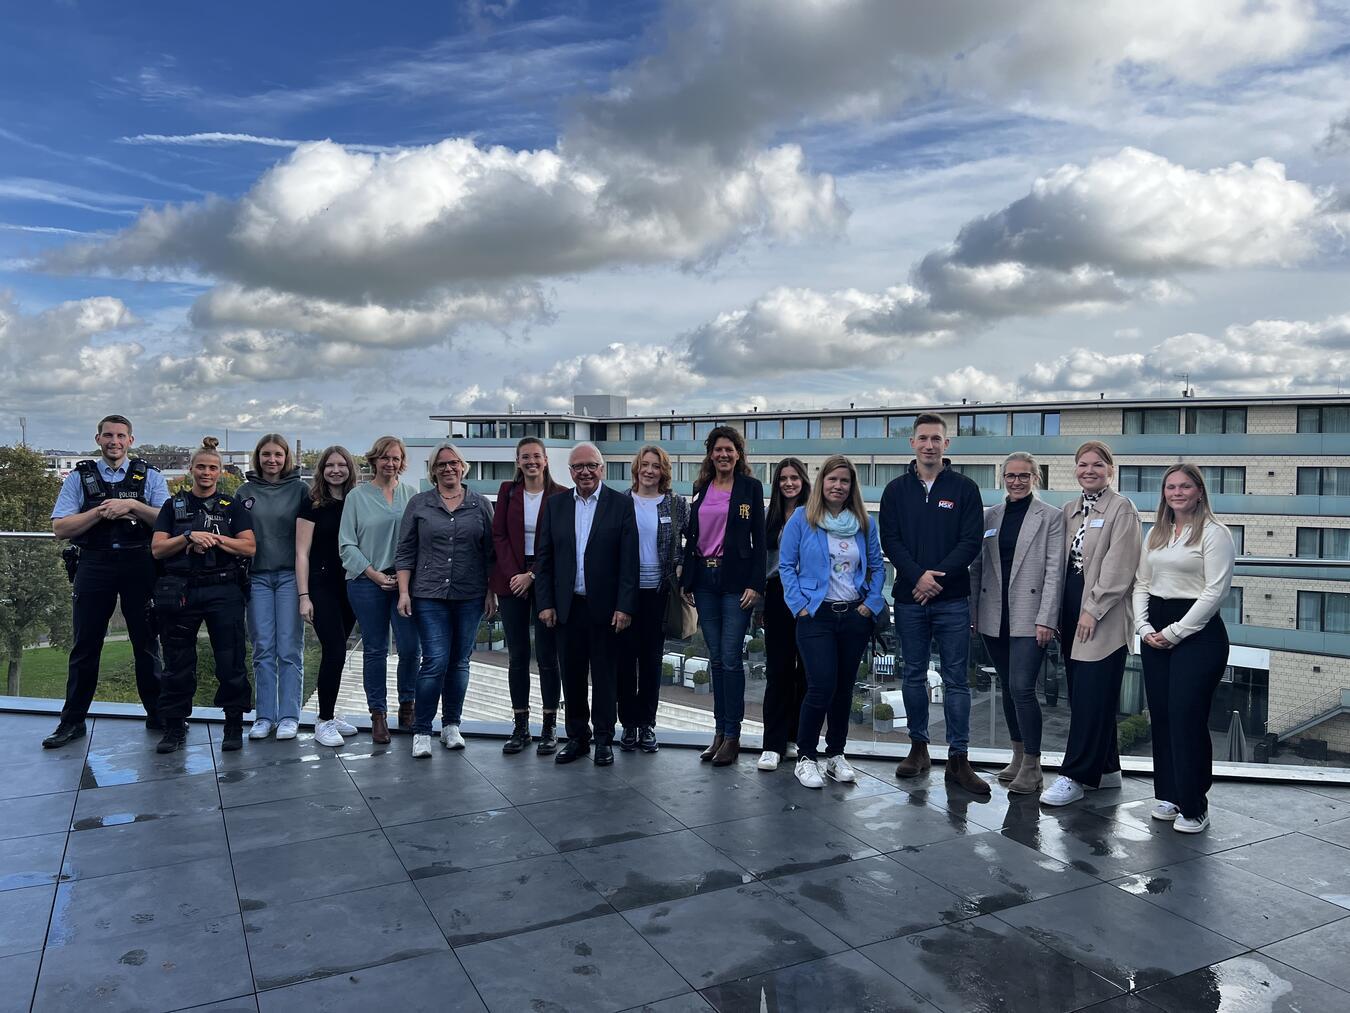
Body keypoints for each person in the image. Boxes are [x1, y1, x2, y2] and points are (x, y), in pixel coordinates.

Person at [44, 414, 170, 749]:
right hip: (94, 564)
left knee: (146, 643)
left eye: (120, 436)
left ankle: (159, 715)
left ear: (131, 440)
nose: (114, 441)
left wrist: (130, 504)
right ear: (98, 439)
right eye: (108, 436)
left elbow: (167, 520)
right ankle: (72, 722)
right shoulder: (79, 478)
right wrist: (100, 511)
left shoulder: (150, 476)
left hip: (139, 563)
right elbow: (61, 529)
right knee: (85, 646)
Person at [878, 412, 988, 794]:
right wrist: (917, 578)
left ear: (946, 444)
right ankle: (918, 747)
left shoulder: (965, 489)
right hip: (909, 600)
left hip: (952, 600)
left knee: (957, 680)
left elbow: (971, 542)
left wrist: (934, 578)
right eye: (922, 438)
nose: (929, 444)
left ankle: (958, 759)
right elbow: (890, 541)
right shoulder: (895, 491)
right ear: (912, 443)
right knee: (912, 675)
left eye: (936, 438)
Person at [1133, 464, 1235, 833]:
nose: (1177, 492)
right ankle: (1171, 795)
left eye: (1185, 486)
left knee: (1187, 716)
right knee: (1161, 714)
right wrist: (1143, 626)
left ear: (1199, 492)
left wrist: (1175, 632)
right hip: (1155, 628)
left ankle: (1195, 805)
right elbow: (1142, 581)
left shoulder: (1214, 533)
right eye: (1170, 487)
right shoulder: (1157, 533)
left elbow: (1215, 591)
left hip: (1198, 632)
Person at [1042, 441, 1143, 808]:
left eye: (1097, 465)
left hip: (1102, 614)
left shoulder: (1122, 509)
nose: (1089, 470)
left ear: (1110, 470)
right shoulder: (1070, 510)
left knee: (1090, 696)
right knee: (1084, 692)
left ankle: (1076, 775)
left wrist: (1092, 609)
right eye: (1082, 465)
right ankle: (1107, 769)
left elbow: (1120, 566)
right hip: (1070, 610)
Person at [778, 456, 885, 789]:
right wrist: (799, 607)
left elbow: (878, 568)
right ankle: (806, 756)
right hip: (817, 615)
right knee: (821, 685)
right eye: (832, 480)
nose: (838, 486)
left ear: (852, 486)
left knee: (843, 690)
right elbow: (786, 565)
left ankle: (836, 754)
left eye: (845, 481)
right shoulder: (802, 519)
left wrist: (870, 605)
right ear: (821, 482)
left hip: (854, 616)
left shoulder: (865, 523)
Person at [535, 443, 639, 766]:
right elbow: (545, 558)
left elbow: (629, 561)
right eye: (578, 466)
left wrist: (624, 606)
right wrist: (546, 603)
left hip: (606, 609)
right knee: (573, 675)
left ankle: (605, 739)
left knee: (606, 676)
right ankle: (578, 737)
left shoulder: (621, 505)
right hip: (567, 607)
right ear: (569, 472)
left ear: (602, 469)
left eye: (591, 465)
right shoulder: (555, 506)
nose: (585, 472)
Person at [968, 452, 1065, 795]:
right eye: (1011, 476)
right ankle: (1017, 756)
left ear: (1035, 479)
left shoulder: (1051, 517)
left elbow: (1055, 571)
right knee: (1009, 687)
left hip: (1031, 615)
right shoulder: (990, 515)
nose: (1017, 481)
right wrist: (975, 614)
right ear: (1002, 478)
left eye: (1024, 476)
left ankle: (1034, 765)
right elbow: (978, 567)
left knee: (1023, 688)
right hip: (995, 615)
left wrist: (1047, 619)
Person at [151, 438, 255, 753]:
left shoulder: (231, 506)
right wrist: (186, 537)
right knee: (177, 662)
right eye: (201, 467)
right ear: (191, 470)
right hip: (181, 590)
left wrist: (214, 539)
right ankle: (174, 726)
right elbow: (157, 549)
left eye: (212, 467)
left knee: (231, 659)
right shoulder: (173, 506)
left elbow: (249, 547)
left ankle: (233, 724)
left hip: (223, 589)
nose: (206, 473)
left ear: (220, 472)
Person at [396, 443, 496, 758]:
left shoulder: (480, 504)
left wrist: (492, 591)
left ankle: (451, 724)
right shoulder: (419, 504)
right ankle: (422, 729)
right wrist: (403, 591)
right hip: (428, 594)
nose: (448, 469)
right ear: (433, 470)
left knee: (459, 661)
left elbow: (490, 553)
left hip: (470, 593)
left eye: (453, 463)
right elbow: (405, 549)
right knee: (435, 660)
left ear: (462, 466)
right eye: (441, 465)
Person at [681, 426, 766, 767]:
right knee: (715, 658)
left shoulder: (750, 488)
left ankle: (733, 735)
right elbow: (693, 537)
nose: (724, 455)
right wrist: (687, 578)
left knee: (731, 658)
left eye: (730, 450)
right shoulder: (701, 488)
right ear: (710, 453)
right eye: (718, 450)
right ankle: (718, 732)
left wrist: (755, 585)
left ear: (738, 453)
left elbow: (759, 542)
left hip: (735, 583)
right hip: (704, 579)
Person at [339, 436, 421, 744]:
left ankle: (407, 707)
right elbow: (346, 544)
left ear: (402, 462)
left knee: (411, 648)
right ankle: (378, 715)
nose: (390, 463)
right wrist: (374, 575)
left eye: (396, 458)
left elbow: (418, 541)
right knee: (374, 650)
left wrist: (402, 580)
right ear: (374, 460)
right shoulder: (357, 497)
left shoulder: (412, 495)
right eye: (385, 457)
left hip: (404, 584)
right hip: (366, 582)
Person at [490, 437, 568, 756]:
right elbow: (499, 535)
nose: (531, 461)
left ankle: (549, 727)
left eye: (537, 456)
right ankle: (521, 726)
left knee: (549, 657)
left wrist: (532, 574)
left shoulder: (562, 495)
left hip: (547, 582)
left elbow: (563, 542)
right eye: (526, 457)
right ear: (518, 461)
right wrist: (515, 575)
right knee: (518, 656)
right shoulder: (508, 492)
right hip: (512, 583)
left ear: (546, 460)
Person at [617, 445, 689, 753]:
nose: (649, 470)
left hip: (660, 594)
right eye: (644, 465)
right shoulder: (620, 502)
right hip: (625, 594)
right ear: (636, 469)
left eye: (655, 466)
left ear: (664, 471)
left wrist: (683, 563)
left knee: (650, 663)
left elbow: (694, 540)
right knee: (624, 662)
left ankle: (646, 725)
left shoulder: (676, 504)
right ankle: (628, 725)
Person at [237, 434, 308, 741]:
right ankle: (265, 715)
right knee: (263, 647)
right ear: (258, 457)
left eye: (278, 454)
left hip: (291, 576)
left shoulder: (300, 489)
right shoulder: (245, 491)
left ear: (286, 457)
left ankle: (290, 715)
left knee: (289, 648)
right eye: (266, 454)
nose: (272, 460)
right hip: (258, 577)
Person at [297, 446, 360, 748]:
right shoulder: (312, 504)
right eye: (329, 465)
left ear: (350, 468)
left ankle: (330, 715)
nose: (336, 470)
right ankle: (323, 720)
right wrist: (303, 595)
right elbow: (301, 552)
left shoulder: (357, 501)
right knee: (334, 649)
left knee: (340, 651)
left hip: (351, 584)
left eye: (342, 465)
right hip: (321, 586)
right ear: (321, 470)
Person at [757, 458, 811, 772]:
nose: (789, 483)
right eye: (783, 479)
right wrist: (761, 606)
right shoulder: (769, 517)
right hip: (778, 595)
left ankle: (796, 738)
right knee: (778, 671)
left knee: (806, 672)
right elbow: (763, 565)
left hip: (810, 596)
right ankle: (772, 744)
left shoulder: (815, 515)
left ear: (804, 480)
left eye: (794, 478)